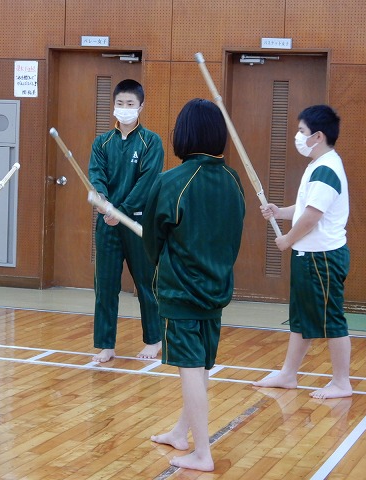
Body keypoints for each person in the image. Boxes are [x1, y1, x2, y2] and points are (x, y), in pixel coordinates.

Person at [142, 98, 246, 471]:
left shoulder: (172, 181)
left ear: (183, 135)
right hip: (217, 290)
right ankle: (180, 432)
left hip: (181, 292)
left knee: (190, 369)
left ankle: (202, 453)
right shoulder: (234, 180)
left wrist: (165, 265)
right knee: (199, 366)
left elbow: (151, 240)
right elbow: (234, 235)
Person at [255, 104, 351, 400]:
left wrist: (287, 240)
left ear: (318, 136)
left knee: (331, 319)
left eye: (301, 131)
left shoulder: (325, 169)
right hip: (308, 256)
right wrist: (279, 211)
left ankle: (341, 382)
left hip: (321, 258)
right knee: (301, 318)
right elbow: (306, 207)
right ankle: (288, 374)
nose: (298, 136)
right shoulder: (318, 165)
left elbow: (312, 217)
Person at [88, 79, 164, 363]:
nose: (125, 109)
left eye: (130, 104)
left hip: (137, 223)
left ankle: (154, 340)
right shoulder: (102, 142)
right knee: (105, 284)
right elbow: (96, 176)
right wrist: (102, 200)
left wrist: (119, 210)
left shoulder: (151, 142)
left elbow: (148, 182)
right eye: (120, 104)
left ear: (141, 106)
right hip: (106, 223)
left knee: (146, 282)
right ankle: (105, 344)